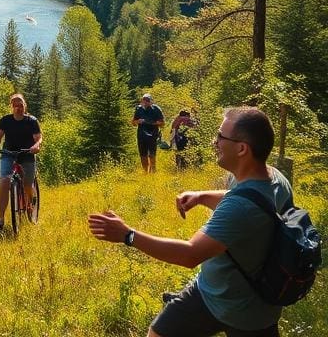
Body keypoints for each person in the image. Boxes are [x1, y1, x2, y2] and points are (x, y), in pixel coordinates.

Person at [88, 107, 293, 337]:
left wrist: (128, 235)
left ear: (242, 149)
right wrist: (202, 196)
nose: (214, 141)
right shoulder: (273, 178)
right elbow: (250, 199)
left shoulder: (239, 209)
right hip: (210, 293)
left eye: (220, 136)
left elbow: (190, 254)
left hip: (244, 309)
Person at [0, 93, 42, 229]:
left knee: (27, 184)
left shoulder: (32, 121)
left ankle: (30, 202)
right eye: (15, 105)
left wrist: (36, 146)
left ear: (24, 106)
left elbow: (38, 137)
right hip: (8, 154)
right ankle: (1, 218)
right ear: (11, 107)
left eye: (20, 105)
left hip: (27, 154)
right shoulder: (5, 120)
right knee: (4, 182)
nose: (18, 108)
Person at [132, 93, 165, 173]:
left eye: (147, 100)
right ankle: (145, 172)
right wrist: (138, 121)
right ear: (141, 101)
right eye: (144, 100)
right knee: (143, 154)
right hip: (141, 135)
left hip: (153, 134)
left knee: (152, 153)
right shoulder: (138, 109)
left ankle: (153, 171)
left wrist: (153, 123)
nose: (145, 102)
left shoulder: (156, 109)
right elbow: (133, 122)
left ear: (151, 101)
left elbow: (162, 123)